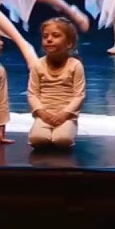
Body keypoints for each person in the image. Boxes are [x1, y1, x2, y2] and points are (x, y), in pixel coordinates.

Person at [28, 17, 87, 149]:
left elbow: (79, 95)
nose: (49, 39)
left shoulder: (75, 65)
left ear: (69, 43)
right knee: (38, 139)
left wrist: (65, 114)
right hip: (44, 115)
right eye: (45, 36)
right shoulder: (38, 65)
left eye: (55, 36)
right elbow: (32, 94)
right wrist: (42, 113)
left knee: (62, 140)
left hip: (66, 116)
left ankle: (66, 130)